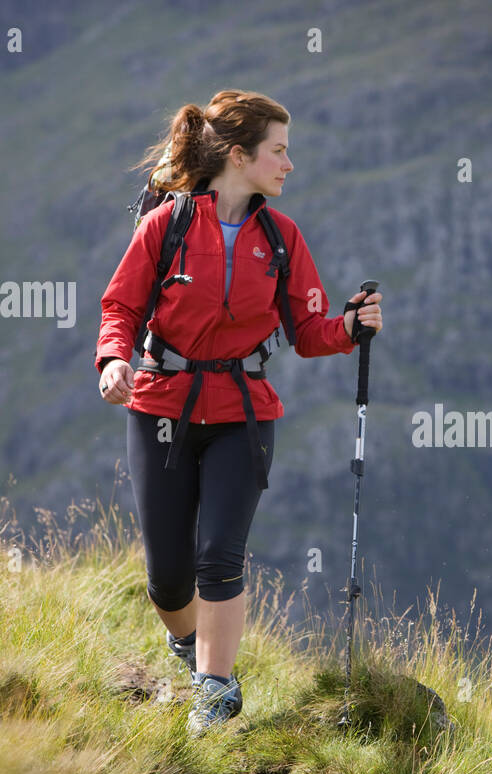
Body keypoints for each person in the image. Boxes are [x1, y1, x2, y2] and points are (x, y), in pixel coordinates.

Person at [94, 89, 383, 735]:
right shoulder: (165, 225)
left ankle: (216, 692)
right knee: (168, 578)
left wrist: (351, 327)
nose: (288, 164)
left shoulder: (282, 238)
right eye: (278, 151)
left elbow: (308, 332)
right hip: (161, 407)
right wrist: (114, 360)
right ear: (238, 155)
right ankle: (188, 650)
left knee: (219, 558)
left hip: (243, 414)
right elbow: (121, 308)